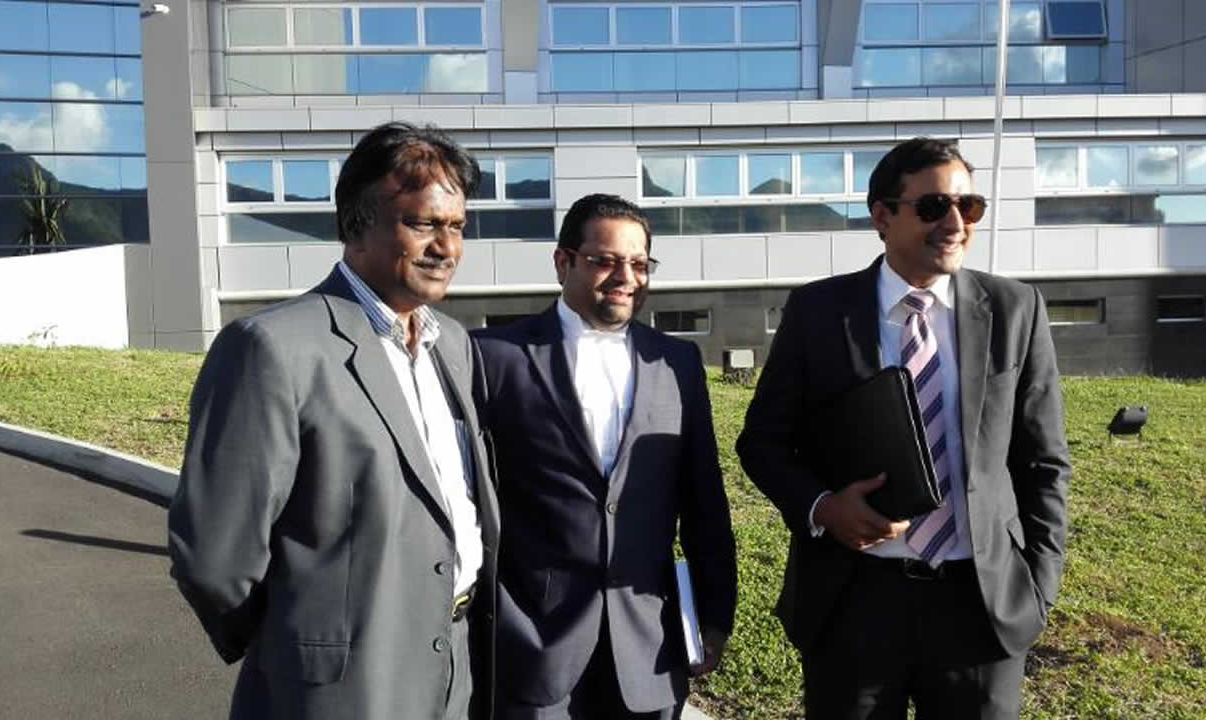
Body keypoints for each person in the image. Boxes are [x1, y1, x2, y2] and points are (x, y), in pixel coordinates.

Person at [168, 122, 499, 720]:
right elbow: (215, 558)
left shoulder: (452, 344)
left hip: (453, 663)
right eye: (422, 224)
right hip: (335, 689)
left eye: (456, 227)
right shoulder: (271, 348)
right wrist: (299, 647)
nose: (445, 247)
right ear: (355, 224)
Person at [736, 137, 1071, 719]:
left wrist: (1038, 585)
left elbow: (1043, 461)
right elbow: (762, 442)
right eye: (934, 206)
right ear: (882, 216)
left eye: (969, 206)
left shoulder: (1015, 309)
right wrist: (823, 507)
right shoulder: (820, 312)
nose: (956, 223)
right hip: (854, 601)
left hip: (980, 604)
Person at [472, 193, 737, 720]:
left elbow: (703, 499)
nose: (626, 277)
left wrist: (713, 615)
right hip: (533, 647)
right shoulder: (491, 356)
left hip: (649, 648)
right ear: (563, 261)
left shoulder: (678, 362)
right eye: (605, 260)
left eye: (639, 264)